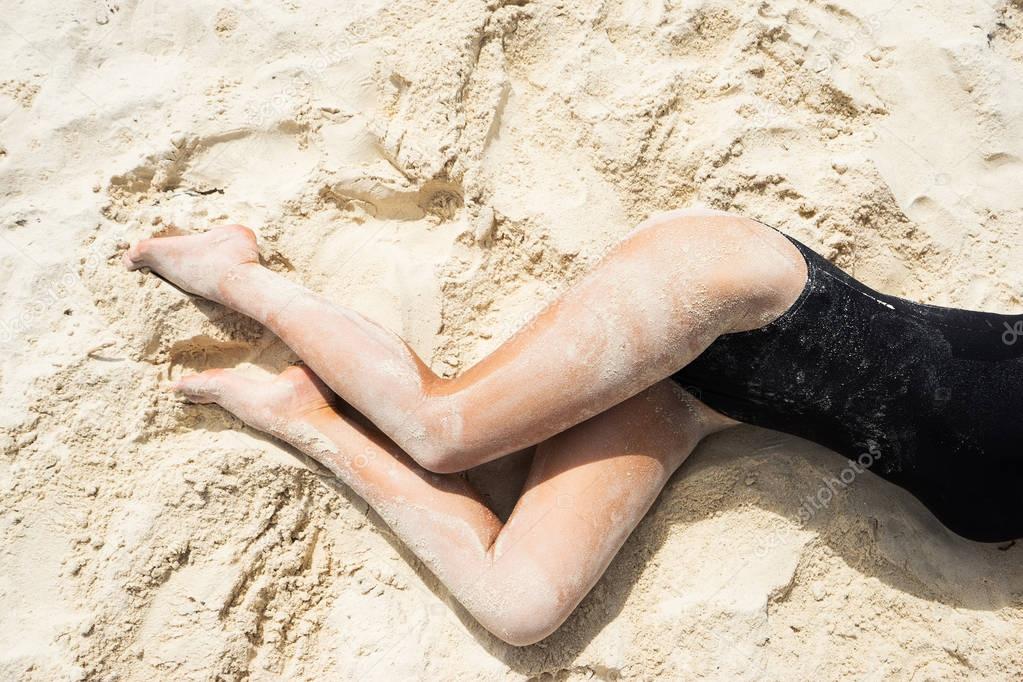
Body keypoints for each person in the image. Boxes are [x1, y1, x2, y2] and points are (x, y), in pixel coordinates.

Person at [122, 208, 1023, 646]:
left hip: (704, 397)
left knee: (520, 610)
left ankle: (302, 413)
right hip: (731, 298)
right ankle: (234, 272)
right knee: (445, 432)